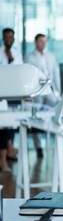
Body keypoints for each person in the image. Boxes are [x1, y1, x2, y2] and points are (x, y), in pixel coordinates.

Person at [25, 33, 60, 158]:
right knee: (36, 117)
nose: (43, 44)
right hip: (37, 91)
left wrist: (58, 91)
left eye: (45, 41)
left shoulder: (51, 56)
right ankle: (38, 147)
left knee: (57, 110)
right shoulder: (29, 57)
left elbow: (56, 74)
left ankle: (55, 141)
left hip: (50, 90)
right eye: (40, 41)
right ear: (35, 42)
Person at [0, 28, 23, 170]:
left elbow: (18, 72)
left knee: (11, 125)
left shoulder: (17, 54)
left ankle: (9, 149)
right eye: (6, 37)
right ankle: (4, 158)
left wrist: (11, 59)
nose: (9, 39)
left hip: (13, 94)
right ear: (3, 38)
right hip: (2, 95)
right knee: (3, 127)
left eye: (11, 36)